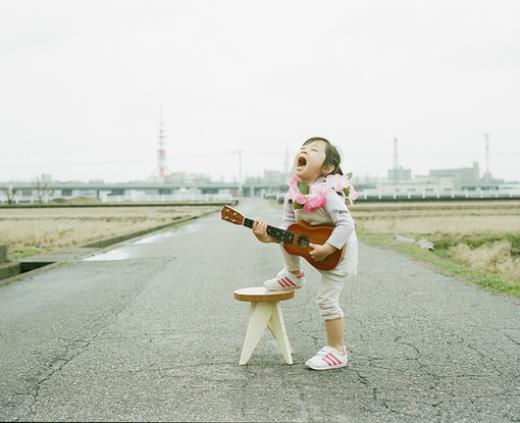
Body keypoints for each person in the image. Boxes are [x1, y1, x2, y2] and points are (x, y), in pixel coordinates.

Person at [252, 136, 358, 370]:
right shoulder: (293, 194)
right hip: (313, 244)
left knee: (326, 300)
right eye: (303, 149)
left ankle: (337, 351)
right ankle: (293, 274)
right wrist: (266, 237)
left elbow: (347, 224)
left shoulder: (328, 193)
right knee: (288, 231)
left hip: (339, 251)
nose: (304, 151)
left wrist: (329, 247)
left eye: (313, 150)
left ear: (327, 168)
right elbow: (286, 227)